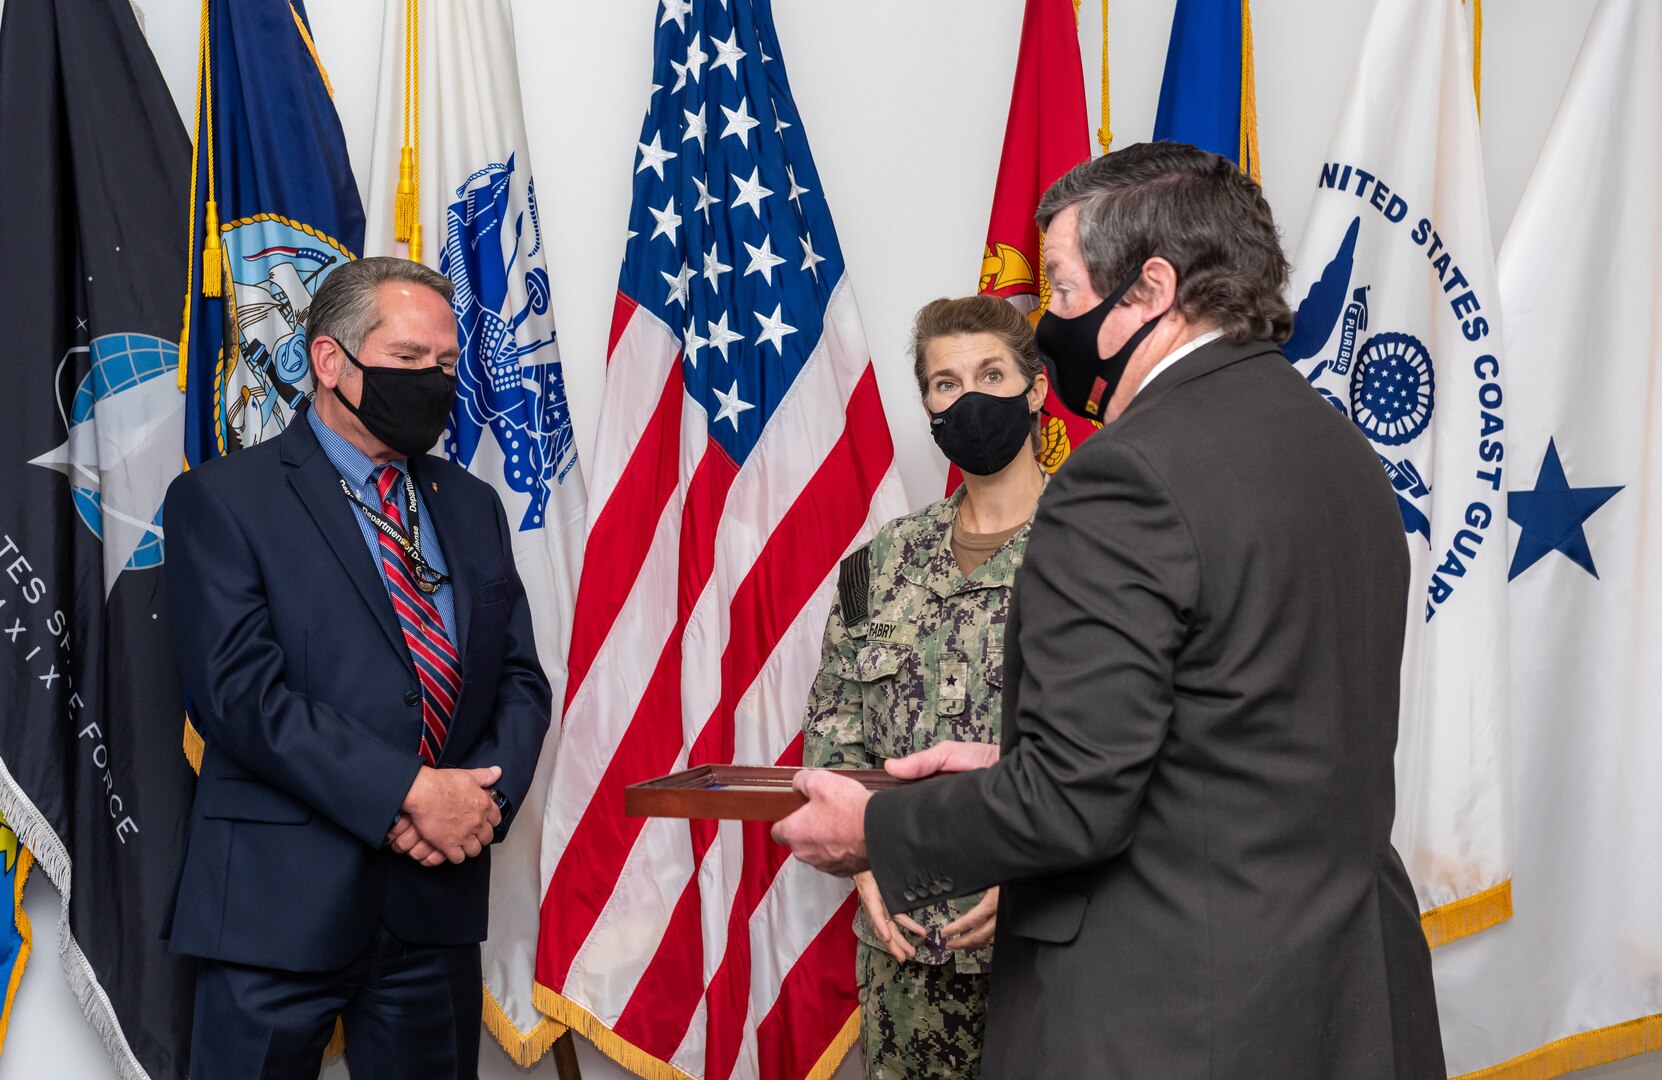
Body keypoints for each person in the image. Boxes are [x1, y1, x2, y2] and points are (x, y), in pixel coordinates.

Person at [774, 142, 1446, 1078]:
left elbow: (1072, 806)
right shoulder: (1342, 452)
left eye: (1060, 286)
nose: (1048, 320)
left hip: (1175, 1018)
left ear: (1151, 288)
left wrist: (877, 831)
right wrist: (1022, 760)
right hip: (1345, 1009)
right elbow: (1243, 736)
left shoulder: (1124, 474)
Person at [163, 256, 552, 1079]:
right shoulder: (225, 500)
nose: (434, 383)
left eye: (447, 365)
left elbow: (519, 676)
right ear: (329, 361)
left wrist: (479, 804)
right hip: (275, 910)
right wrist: (412, 794)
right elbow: (240, 697)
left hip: (433, 909)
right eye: (409, 361)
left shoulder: (471, 503)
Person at [804, 295, 1048, 1079]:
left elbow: (1131, 751)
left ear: (1036, 388)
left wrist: (1034, 880)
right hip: (905, 954)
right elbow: (834, 732)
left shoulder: (1096, 550)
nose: (967, 397)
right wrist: (866, 863)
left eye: (989, 373)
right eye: (945, 383)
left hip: (1049, 946)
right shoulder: (879, 563)